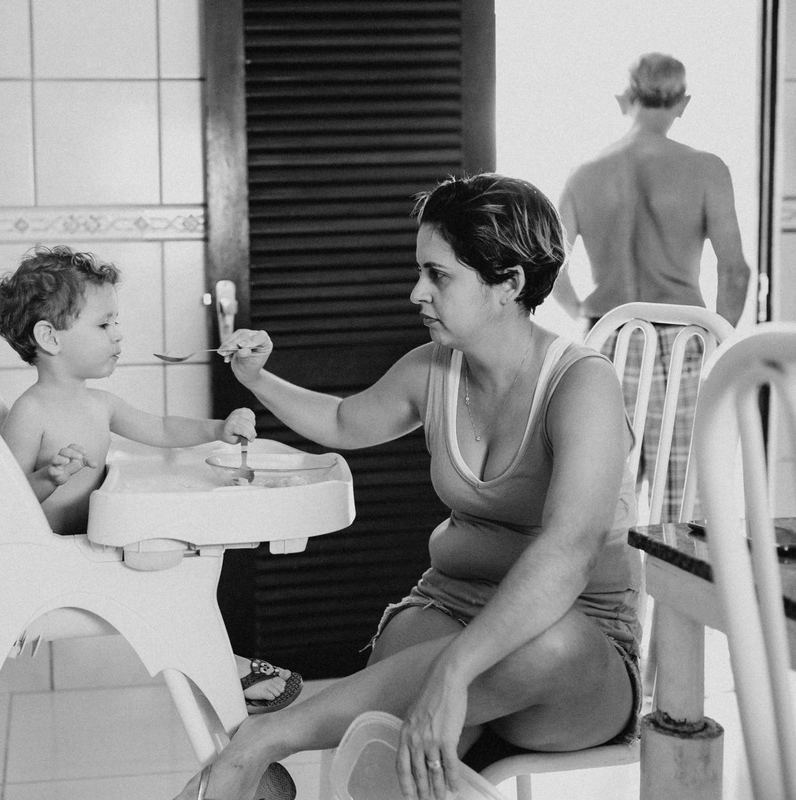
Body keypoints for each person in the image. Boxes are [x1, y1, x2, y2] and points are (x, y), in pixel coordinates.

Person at [173, 174, 641, 800]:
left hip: (574, 641)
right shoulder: (434, 368)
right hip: (446, 604)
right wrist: (257, 379)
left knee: (542, 649)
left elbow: (568, 552)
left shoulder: (583, 385)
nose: (417, 292)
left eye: (439, 275)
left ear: (509, 283)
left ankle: (264, 741)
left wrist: (454, 671)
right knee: (394, 752)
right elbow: (343, 420)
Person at [0, 244, 303, 714]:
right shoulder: (30, 411)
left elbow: (160, 429)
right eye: (103, 324)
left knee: (182, 565)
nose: (118, 334)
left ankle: (221, 667)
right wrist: (47, 479)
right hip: (61, 559)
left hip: (99, 542)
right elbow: (6, 503)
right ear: (50, 337)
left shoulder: (100, 404)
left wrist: (217, 430)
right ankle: (224, 670)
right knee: (173, 577)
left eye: (115, 322)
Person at [552, 52, 751, 522]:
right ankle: (676, 596)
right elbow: (736, 271)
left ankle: (608, 595)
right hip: (686, 339)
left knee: (601, 499)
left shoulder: (584, 174)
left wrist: (583, 310)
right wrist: (720, 339)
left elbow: (550, 266)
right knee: (684, 508)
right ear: (683, 103)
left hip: (607, 339)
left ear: (625, 98)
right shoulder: (707, 169)